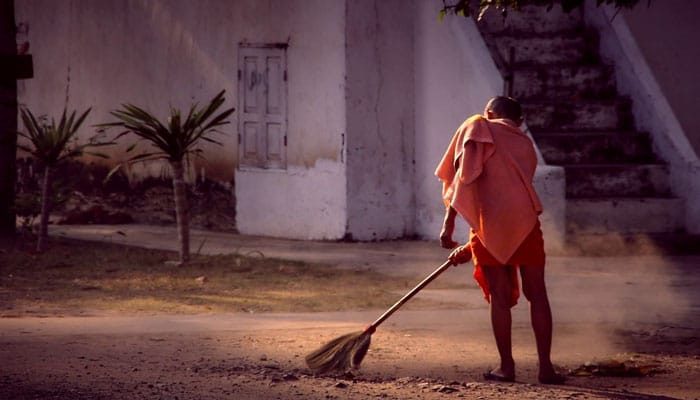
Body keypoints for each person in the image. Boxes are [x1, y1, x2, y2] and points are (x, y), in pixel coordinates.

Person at [435, 96, 565, 384]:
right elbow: (510, 196)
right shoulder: (525, 144)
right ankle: (546, 368)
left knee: (500, 298)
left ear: (491, 112)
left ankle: (506, 367)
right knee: (538, 294)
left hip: (488, 222)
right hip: (526, 222)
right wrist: (468, 249)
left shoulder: (478, 126)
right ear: (518, 122)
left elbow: (464, 178)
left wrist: (449, 224)